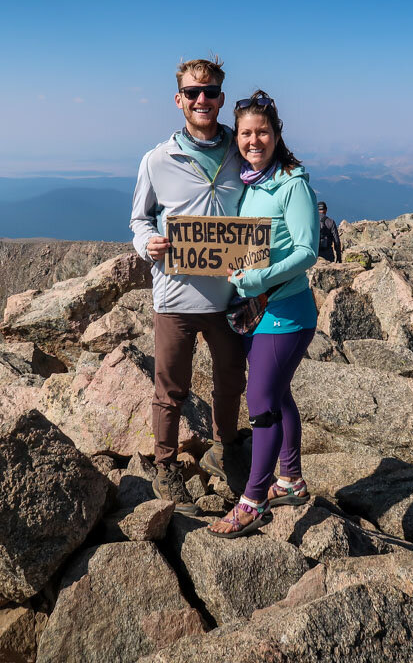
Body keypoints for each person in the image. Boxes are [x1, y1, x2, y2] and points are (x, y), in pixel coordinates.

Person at [130, 57, 247, 516]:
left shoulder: (241, 152)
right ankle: (164, 464)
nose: (203, 99)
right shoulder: (158, 159)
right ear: (179, 99)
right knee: (170, 388)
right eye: (193, 92)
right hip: (175, 296)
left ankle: (226, 450)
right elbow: (139, 218)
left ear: (221, 97)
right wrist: (147, 244)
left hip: (230, 297)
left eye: (211, 91)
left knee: (230, 381)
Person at [208, 90, 319, 537]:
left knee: (260, 403)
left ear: (277, 134)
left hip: (286, 311)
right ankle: (290, 479)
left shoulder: (292, 184)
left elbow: (308, 251)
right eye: (246, 133)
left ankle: (252, 500)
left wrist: (259, 278)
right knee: (279, 394)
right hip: (261, 311)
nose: (254, 140)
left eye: (263, 132)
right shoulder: (253, 180)